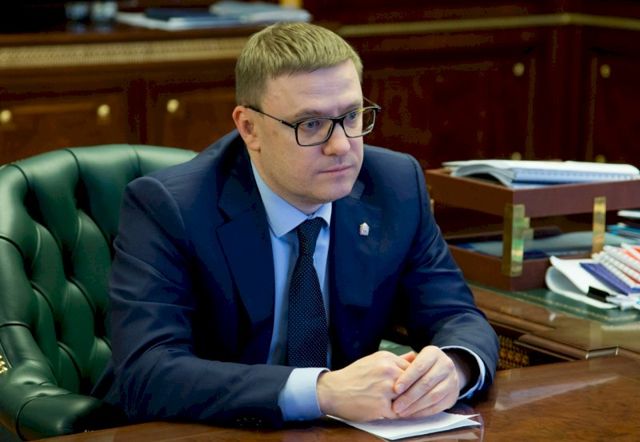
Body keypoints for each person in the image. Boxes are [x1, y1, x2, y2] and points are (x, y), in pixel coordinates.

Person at [95, 22, 499, 427]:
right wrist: (322, 392)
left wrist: (455, 367)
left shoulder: (394, 186)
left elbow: (456, 316)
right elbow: (147, 373)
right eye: (311, 124)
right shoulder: (170, 208)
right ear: (249, 128)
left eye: (352, 116)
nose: (340, 145)